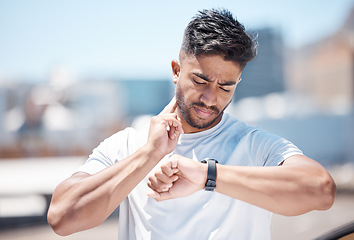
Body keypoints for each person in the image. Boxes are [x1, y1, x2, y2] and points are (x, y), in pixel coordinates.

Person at [47, 9, 336, 240]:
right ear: (176, 70)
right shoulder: (127, 145)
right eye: (200, 80)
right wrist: (150, 154)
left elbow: (320, 189)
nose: (211, 98)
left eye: (226, 86)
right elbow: (62, 217)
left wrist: (208, 176)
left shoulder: (255, 145)